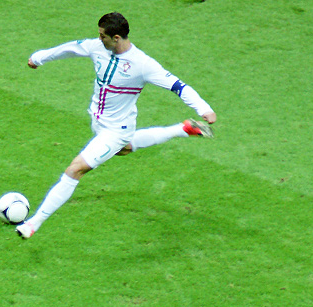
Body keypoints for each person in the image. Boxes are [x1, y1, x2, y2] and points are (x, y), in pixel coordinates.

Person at [16, 12, 217, 239]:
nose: (98, 39)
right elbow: (71, 48)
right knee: (124, 149)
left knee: (75, 169)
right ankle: (183, 129)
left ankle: (33, 224)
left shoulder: (142, 64)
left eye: (103, 36)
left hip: (116, 131)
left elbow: (177, 85)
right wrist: (39, 57)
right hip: (99, 123)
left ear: (117, 38)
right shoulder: (98, 47)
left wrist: (204, 108)